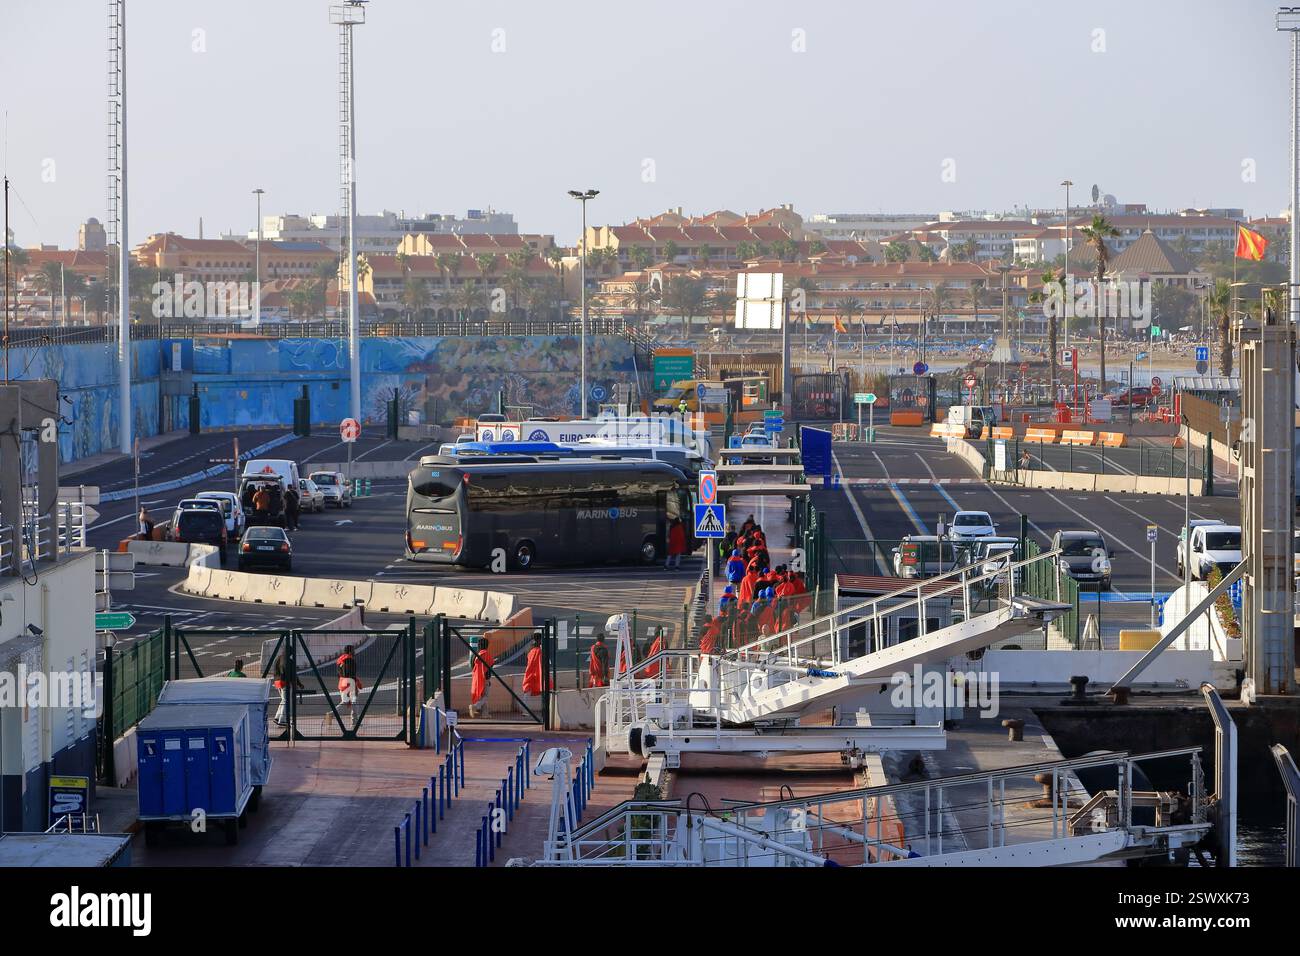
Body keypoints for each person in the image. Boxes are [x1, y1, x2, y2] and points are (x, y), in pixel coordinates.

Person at [271, 651, 302, 726]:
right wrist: (298, 684)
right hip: (285, 682)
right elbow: (293, 674)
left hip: (277, 682)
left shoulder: (278, 658)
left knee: (283, 700)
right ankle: (282, 719)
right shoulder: (289, 661)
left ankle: (277, 717)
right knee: (286, 701)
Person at [336, 644, 362, 730]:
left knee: (345, 701)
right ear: (350, 651)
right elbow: (351, 674)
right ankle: (354, 721)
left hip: (342, 682)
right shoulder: (350, 660)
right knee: (354, 701)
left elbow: (339, 674)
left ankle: (332, 713)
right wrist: (354, 686)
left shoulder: (340, 660)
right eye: (353, 650)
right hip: (349, 683)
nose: (354, 652)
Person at [469, 638, 493, 718]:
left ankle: (485, 714)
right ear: (487, 646)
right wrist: (487, 679)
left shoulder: (474, 655)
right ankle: (475, 706)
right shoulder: (487, 655)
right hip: (485, 678)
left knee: (483, 696)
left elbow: (472, 666)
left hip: (476, 678)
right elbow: (490, 666)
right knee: (485, 696)